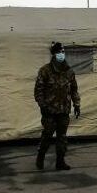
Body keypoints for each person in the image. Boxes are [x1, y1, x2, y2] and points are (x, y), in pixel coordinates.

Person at [34, 42, 81, 171]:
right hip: (49, 111)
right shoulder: (45, 71)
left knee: (62, 138)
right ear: (54, 54)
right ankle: (40, 157)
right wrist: (43, 106)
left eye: (63, 52)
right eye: (60, 52)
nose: (62, 54)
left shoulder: (69, 71)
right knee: (47, 136)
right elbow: (38, 91)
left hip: (64, 110)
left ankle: (60, 161)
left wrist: (77, 104)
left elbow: (74, 90)